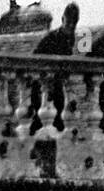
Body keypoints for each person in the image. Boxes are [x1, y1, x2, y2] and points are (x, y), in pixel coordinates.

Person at [31, 2, 80, 133]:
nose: (70, 26)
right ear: (62, 19)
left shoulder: (71, 37)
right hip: (43, 84)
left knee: (58, 120)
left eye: (73, 24)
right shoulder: (51, 38)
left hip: (57, 84)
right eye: (68, 22)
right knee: (42, 120)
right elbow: (34, 59)